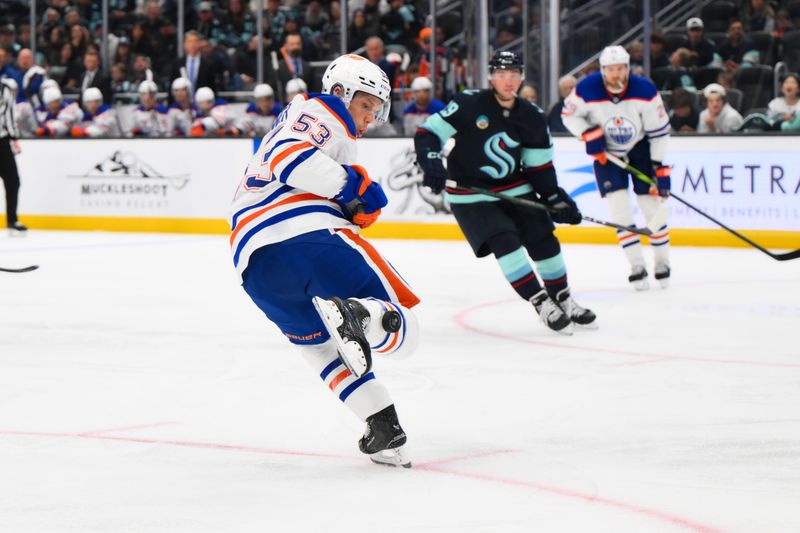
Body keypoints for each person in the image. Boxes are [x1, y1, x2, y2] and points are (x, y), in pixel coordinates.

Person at [229, 54, 420, 467]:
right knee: (403, 327)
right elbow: (288, 159)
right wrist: (352, 186)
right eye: (366, 104)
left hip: (255, 265)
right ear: (340, 92)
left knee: (318, 350)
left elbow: (290, 163)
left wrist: (350, 201)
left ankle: (381, 424)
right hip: (307, 238)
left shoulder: (309, 122)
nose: (371, 117)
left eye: (376, 109)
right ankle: (358, 315)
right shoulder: (320, 111)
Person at [414, 50, 596, 334]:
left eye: (513, 74)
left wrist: (555, 199)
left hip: (516, 188)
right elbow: (428, 134)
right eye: (501, 74)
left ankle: (563, 298)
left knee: (543, 238)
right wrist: (432, 161)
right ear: (491, 76)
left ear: (522, 77)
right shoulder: (469, 103)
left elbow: (539, 169)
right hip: (470, 194)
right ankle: (540, 302)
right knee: (504, 241)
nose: (508, 81)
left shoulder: (533, 116)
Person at [562, 45, 672, 290]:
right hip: (607, 154)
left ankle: (662, 262)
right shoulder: (586, 89)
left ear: (627, 68)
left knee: (650, 205)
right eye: (611, 70)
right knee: (620, 211)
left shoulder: (645, 90)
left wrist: (657, 165)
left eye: (620, 69)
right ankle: (636, 265)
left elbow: (660, 130)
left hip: (640, 149)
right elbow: (568, 115)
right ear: (603, 70)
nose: (616, 75)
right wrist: (588, 134)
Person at [0, 77, 26, 234]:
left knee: (12, 181)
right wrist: (14, 136)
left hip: (2, 141)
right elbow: (8, 115)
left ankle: (12, 219)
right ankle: (12, 220)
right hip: (1, 141)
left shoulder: (5, 87)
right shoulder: (5, 88)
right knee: (12, 181)